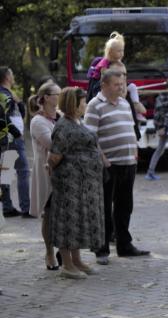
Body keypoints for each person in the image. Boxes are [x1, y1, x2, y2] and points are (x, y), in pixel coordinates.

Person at [84, 69, 150, 265]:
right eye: (116, 84)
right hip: (108, 165)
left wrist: (134, 152)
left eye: (122, 84)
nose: (121, 87)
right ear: (104, 85)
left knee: (125, 206)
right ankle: (101, 249)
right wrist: (103, 158)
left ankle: (124, 245)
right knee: (104, 208)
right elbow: (90, 137)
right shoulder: (94, 106)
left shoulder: (124, 103)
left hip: (128, 163)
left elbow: (130, 128)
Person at [47, 87, 104, 279]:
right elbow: (54, 157)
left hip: (82, 185)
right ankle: (67, 265)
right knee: (67, 221)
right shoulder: (63, 126)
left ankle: (77, 260)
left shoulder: (77, 122)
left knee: (77, 220)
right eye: (83, 101)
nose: (85, 104)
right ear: (73, 103)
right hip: (68, 184)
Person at [28, 82, 62, 270]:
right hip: (48, 174)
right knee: (49, 215)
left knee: (66, 214)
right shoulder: (38, 121)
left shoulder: (61, 116)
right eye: (57, 94)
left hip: (65, 173)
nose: (60, 97)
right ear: (47, 97)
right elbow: (53, 144)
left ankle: (64, 250)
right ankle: (49, 252)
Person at [0, 66, 31, 218]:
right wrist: (16, 134)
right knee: (23, 171)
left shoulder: (7, 94)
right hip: (12, 139)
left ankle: (7, 207)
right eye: (11, 75)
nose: (13, 78)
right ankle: (26, 208)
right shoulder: (5, 95)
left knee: (5, 172)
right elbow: (5, 118)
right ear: (7, 77)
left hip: (7, 138)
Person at [145, 78, 168, 181]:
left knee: (161, 149)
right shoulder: (163, 98)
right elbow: (158, 114)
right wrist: (160, 127)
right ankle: (150, 172)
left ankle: (150, 171)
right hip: (166, 127)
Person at [87, 32, 125, 102]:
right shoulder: (104, 63)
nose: (122, 53)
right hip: (99, 84)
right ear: (110, 52)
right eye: (119, 51)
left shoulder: (118, 63)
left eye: (122, 50)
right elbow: (104, 79)